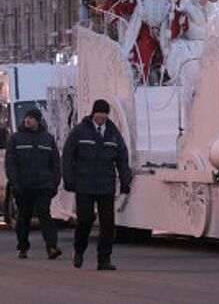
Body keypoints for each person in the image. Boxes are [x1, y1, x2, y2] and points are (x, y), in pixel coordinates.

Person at [62, 99, 132, 270]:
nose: (101, 116)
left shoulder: (113, 134)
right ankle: (79, 250)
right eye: (98, 113)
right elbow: (68, 156)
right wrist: (68, 179)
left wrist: (125, 180)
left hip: (105, 185)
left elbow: (122, 158)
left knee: (108, 224)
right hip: (84, 184)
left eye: (104, 113)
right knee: (85, 219)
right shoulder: (80, 131)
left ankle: (104, 259)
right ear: (93, 114)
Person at [5, 108, 62, 260]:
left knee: (45, 214)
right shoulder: (16, 139)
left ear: (38, 120)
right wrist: (14, 183)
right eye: (26, 118)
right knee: (24, 217)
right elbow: (10, 163)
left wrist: (54, 184)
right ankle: (22, 247)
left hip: (43, 185)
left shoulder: (47, 139)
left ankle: (51, 247)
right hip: (23, 186)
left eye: (31, 118)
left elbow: (55, 163)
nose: (27, 120)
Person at [104, 0, 172, 82]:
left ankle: (171, 80)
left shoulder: (170, 3)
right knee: (142, 52)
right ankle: (140, 81)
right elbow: (123, 1)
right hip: (145, 35)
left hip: (166, 36)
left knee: (174, 53)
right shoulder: (139, 0)